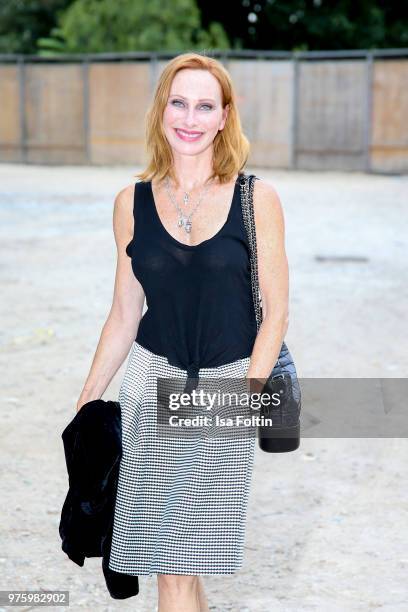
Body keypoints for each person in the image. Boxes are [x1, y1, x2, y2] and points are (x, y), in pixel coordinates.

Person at [76, 52, 289, 612]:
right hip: (150, 386)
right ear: (161, 111)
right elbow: (124, 312)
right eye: (178, 102)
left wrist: (249, 394)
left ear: (224, 117)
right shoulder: (132, 203)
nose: (189, 118)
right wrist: (86, 405)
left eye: (204, 106)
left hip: (226, 387)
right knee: (175, 569)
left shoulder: (256, 199)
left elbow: (276, 310)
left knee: (191, 559)